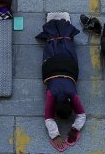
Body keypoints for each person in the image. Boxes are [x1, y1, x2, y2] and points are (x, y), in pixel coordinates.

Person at [37, 18, 86, 149]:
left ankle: (62, 33)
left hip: (69, 66)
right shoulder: (51, 95)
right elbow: (48, 118)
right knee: (52, 46)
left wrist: (56, 135)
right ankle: (54, 33)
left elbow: (81, 115)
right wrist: (74, 131)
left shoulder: (71, 95)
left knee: (66, 45)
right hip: (51, 67)